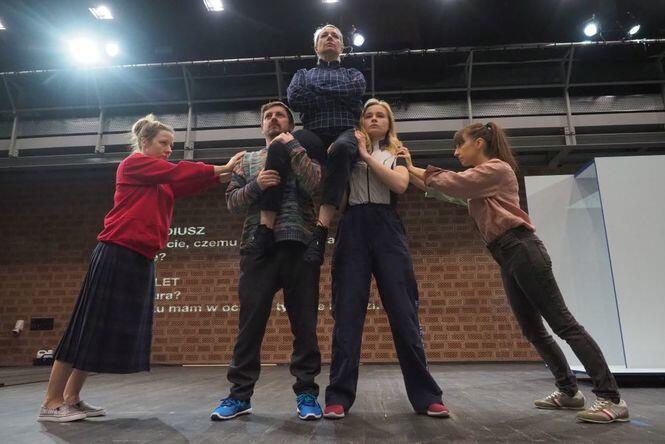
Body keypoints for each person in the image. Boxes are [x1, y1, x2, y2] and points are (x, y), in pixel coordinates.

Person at [402, 122, 630, 424]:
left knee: (564, 324)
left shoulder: (496, 170)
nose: (456, 152)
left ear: (479, 143)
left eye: (460, 144)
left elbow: (452, 183)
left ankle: (612, 399)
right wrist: (405, 168)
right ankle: (569, 392)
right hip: (507, 254)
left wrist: (410, 166)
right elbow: (443, 191)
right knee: (532, 330)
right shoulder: (480, 186)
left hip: (522, 249)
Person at [38, 114, 244, 422]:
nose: (169, 149)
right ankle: (50, 402)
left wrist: (228, 173)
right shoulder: (133, 164)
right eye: (164, 143)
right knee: (85, 327)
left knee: (100, 330)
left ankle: (72, 397)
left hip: (140, 257)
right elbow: (179, 172)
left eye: (172, 145)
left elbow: (188, 182)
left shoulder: (159, 183)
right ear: (144, 142)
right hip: (116, 252)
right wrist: (222, 167)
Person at [323, 99, 448, 419]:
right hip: (352, 226)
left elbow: (400, 184)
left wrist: (366, 157)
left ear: (389, 123)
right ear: (361, 122)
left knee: (404, 312)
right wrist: (345, 156)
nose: (375, 119)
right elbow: (336, 195)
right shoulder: (346, 151)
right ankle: (338, 396)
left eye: (381, 115)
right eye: (369, 115)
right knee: (347, 314)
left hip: (387, 228)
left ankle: (427, 396)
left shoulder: (398, 153)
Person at [210, 101, 324, 421]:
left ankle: (306, 393)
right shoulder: (247, 160)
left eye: (280, 115)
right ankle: (239, 396)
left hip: (299, 244)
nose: (273, 119)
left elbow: (313, 185)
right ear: (262, 125)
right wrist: (257, 184)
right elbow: (233, 203)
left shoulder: (303, 152)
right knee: (249, 326)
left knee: (304, 326)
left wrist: (294, 149)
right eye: (268, 116)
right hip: (257, 247)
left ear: (290, 124)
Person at [252, 24, 365, 265]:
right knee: (280, 144)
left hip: (345, 132)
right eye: (324, 35)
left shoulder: (353, 74)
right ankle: (265, 228)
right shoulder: (302, 74)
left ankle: (321, 231)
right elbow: (295, 99)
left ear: (342, 46)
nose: (330, 38)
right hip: (312, 133)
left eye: (335, 36)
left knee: (342, 148)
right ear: (316, 46)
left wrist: (316, 93)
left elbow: (354, 91)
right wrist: (339, 97)